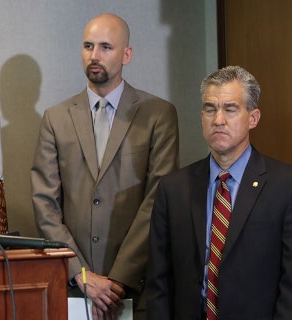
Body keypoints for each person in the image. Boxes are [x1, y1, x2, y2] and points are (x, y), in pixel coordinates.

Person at [31, 13, 179, 319]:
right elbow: (45, 204)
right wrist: (83, 276)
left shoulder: (158, 115)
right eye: (88, 46)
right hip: (72, 289)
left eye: (105, 47)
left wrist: (117, 280)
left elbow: (158, 200)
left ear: (127, 54)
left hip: (136, 288)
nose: (94, 56)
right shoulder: (55, 118)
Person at [147, 66, 292, 319]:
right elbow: (159, 282)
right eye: (210, 109)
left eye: (230, 109)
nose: (218, 120)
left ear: (253, 118)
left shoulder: (284, 186)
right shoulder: (173, 188)